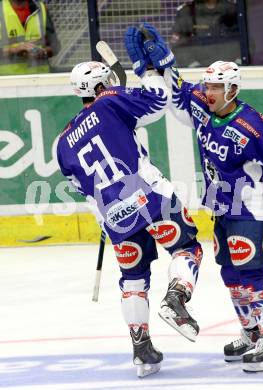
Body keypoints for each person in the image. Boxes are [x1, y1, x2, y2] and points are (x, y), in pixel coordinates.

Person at [130, 23, 263, 373]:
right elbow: (181, 95)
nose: (209, 92)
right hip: (221, 207)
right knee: (230, 273)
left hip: (251, 209)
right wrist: (160, 68)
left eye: (215, 87)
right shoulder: (203, 105)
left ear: (231, 89)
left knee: (253, 273)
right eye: (208, 85)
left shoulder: (252, 124)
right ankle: (251, 332)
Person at [56, 47, 203, 377]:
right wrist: (148, 71)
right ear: (98, 87)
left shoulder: (61, 143)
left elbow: (83, 190)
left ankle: (142, 350)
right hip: (150, 197)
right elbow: (156, 101)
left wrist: (106, 223)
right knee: (186, 248)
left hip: (113, 215)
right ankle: (177, 298)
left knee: (133, 278)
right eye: (106, 81)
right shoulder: (111, 101)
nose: (110, 83)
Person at [170, 0, 240, 67]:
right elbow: (178, 46)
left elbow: (247, 40)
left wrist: (238, 64)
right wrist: (193, 66)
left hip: (231, 70)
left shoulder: (235, 10)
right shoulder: (187, 12)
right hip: (198, 70)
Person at [0, 0, 60, 75]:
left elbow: (55, 46)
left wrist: (43, 52)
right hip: (9, 80)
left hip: (40, 79)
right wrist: (13, 50)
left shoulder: (41, 8)